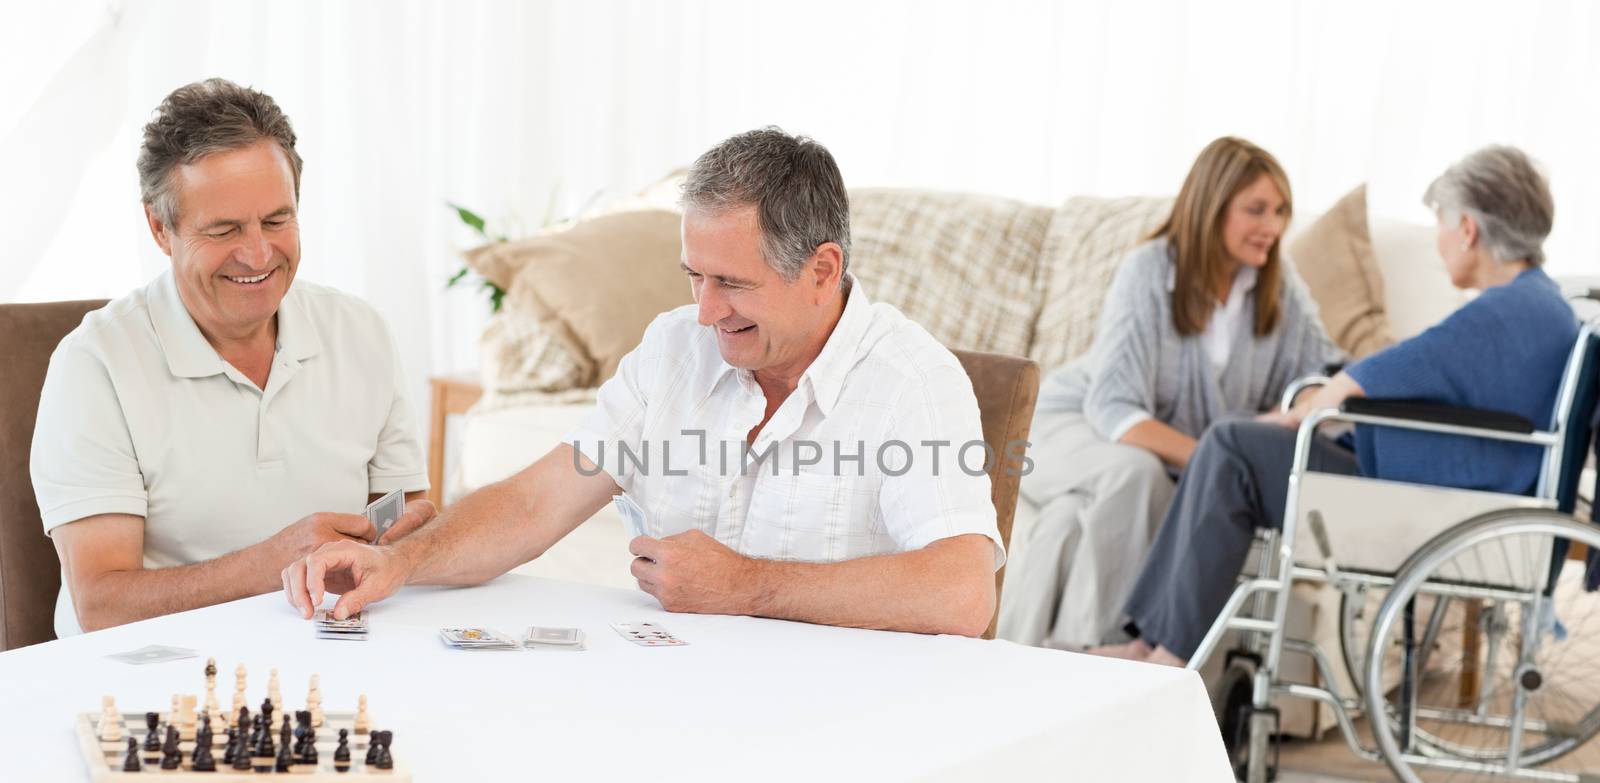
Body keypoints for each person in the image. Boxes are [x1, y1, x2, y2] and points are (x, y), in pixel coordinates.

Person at [281, 127, 1005, 636]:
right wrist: (397, 560)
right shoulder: (673, 348)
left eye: (731, 283)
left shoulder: (913, 379)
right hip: (679, 703)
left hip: (845, 725)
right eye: (694, 276)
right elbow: (536, 502)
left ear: (821, 270)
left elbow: (962, 592)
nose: (705, 310)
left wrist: (748, 586)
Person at [1099, 145, 1577, 667]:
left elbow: (1397, 368)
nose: (1439, 241)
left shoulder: (1510, 309)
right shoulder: (1538, 304)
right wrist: (1327, 394)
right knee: (1236, 436)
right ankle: (1154, 643)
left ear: (1466, 229)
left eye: (1440, 222)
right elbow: (1410, 371)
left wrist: (1320, 404)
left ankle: (1164, 653)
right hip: (1450, 492)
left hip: (1433, 509)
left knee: (1231, 445)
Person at [31, 78, 434, 635]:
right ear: (159, 228)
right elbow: (101, 604)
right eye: (224, 229)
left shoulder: (359, 331)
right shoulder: (94, 365)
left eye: (276, 220)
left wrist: (409, 544)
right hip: (152, 672)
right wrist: (272, 564)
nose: (258, 253)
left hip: (326, 648)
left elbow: (405, 517)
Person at [999, 137, 1339, 649]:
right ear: (1212, 206)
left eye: (1281, 210)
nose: (1273, 226)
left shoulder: (1276, 284)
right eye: (1257, 209)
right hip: (1066, 421)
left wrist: (1303, 403)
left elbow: (1327, 369)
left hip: (1142, 441)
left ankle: (1043, 659)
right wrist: (1220, 460)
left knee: (1069, 523)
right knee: (1135, 473)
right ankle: (1097, 656)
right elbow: (1114, 408)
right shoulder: (1149, 270)